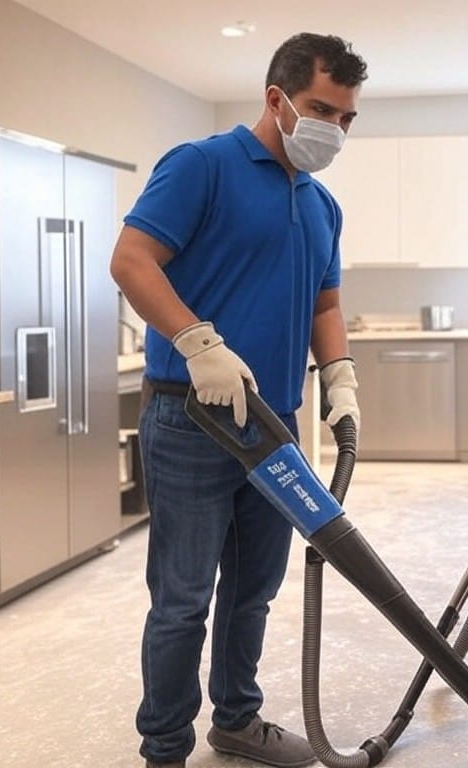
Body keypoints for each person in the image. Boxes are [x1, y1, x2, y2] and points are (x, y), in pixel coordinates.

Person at [110, 33, 368, 768]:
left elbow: (325, 305)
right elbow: (132, 259)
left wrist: (340, 377)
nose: (333, 128)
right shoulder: (202, 167)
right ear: (276, 99)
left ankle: (237, 719)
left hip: (273, 425)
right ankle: (164, 746)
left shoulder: (321, 203)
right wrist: (196, 342)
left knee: (254, 588)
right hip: (190, 416)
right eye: (322, 108)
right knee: (184, 597)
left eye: (346, 117)